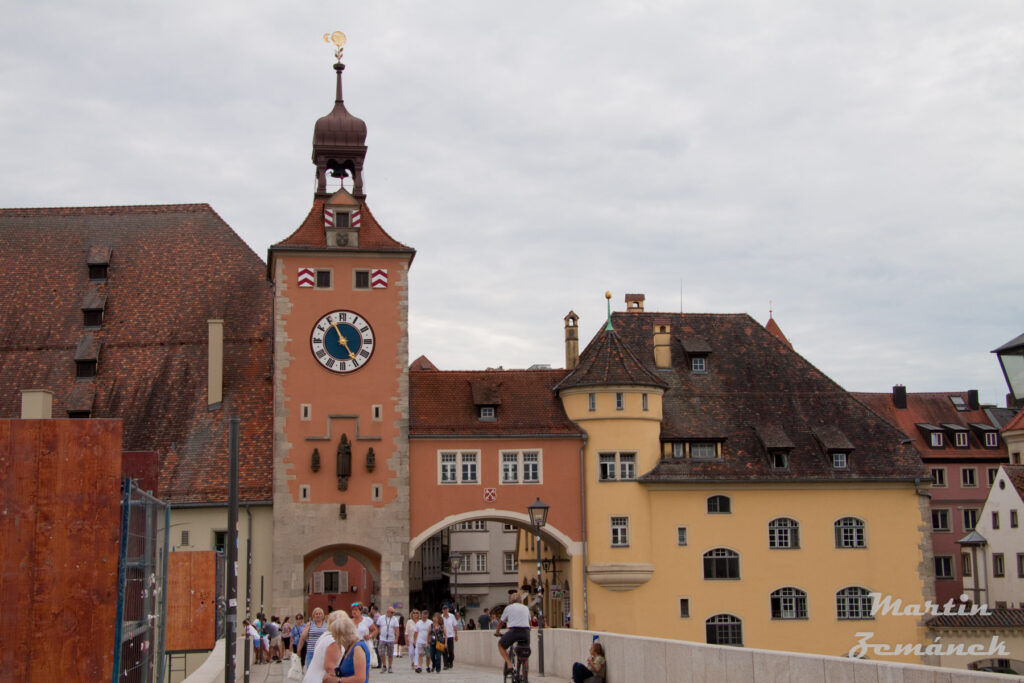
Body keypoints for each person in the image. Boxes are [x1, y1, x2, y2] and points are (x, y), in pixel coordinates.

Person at [325, 611, 369, 683]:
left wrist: (337, 680)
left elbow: (360, 679)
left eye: (335, 637)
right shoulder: (350, 646)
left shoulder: (357, 648)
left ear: (342, 635)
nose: (335, 640)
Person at [495, 592, 531, 676]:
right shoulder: (526, 608)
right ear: (521, 600)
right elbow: (529, 623)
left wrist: (497, 632)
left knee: (500, 645)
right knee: (525, 653)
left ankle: (509, 664)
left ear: (511, 600)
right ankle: (525, 675)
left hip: (514, 631)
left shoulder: (508, 608)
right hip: (526, 632)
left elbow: (501, 622)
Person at [303, 610, 344, 683]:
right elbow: (330, 667)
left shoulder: (325, 635)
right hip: (320, 679)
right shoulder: (333, 641)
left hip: (312, 678)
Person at [376, 605, 400, 673]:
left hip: (391, 639)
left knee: (390, 653)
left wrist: (396, 638)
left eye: (393, 612)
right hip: (382, 638)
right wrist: (376, 636)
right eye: (391, 612)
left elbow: (397, 630)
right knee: (381, 653)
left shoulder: (395, 619)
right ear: (387, 611)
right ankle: (384, 666)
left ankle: (390, 666)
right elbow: (377, 627)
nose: (393, 614)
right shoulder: (381, 618)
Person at [440, 604, 458, 669]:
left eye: (446, 609)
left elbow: (455, 626)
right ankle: (445, 664)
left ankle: (450, 661)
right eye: (444, 609)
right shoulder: (441, 617)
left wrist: (456, 634)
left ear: (448, 610)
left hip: (450, 636)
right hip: (443, 636)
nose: (445, 610)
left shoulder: (452, 616)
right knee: (444, 651)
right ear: (442, 610)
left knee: (451, 651)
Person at [414, 608, 431, 673]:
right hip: (420, 641)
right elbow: (416, 632)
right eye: (423, 615)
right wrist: (415, 640)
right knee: (420, 654)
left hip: (427, 641)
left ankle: (428, 666)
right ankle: (420, 667)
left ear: (427, 615)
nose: (424, 616)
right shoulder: (418, 623)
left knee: (428, 655)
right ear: (421, 615)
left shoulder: (430, 622)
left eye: (425, 615)